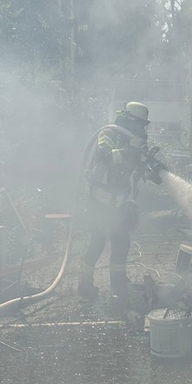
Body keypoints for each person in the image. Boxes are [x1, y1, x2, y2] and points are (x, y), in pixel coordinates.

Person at [78, 102, 163, 310]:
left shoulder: (138, 141)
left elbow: (140, 168)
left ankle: (118, 284)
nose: (142, 130)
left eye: (144, 126)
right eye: (140, 125)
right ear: (129, 121)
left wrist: (156, 172)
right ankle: (85, 285)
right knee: (97, 243)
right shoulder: (108, 133)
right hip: (98, 202)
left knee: (121, 244)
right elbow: (107, 155)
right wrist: (130, 149)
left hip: (119, 205)